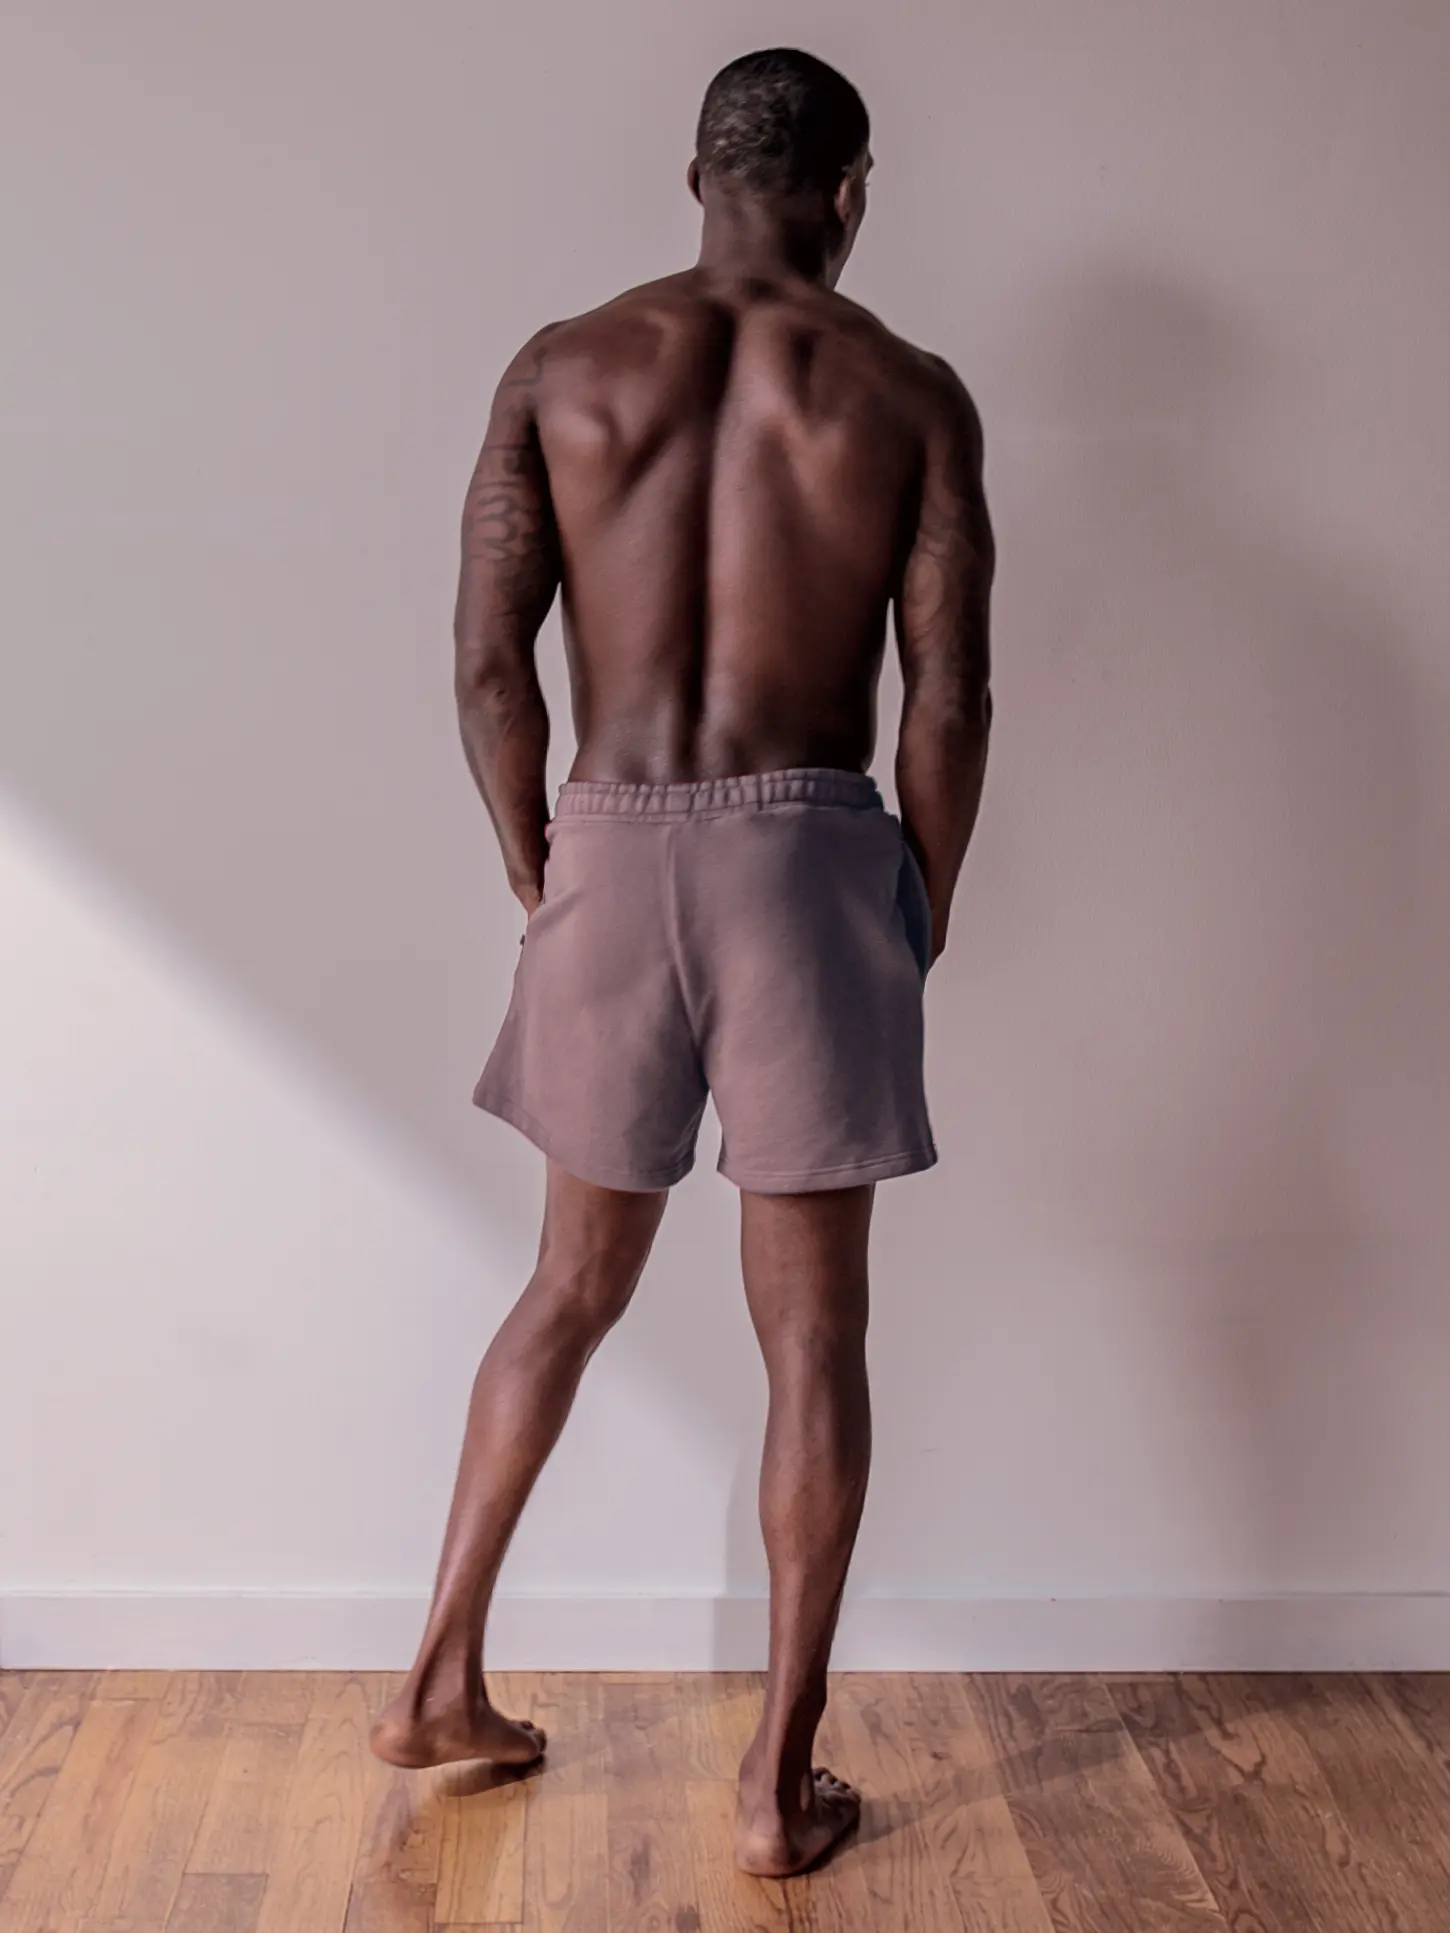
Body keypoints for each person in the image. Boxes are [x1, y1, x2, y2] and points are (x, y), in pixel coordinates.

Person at [370, 45, 995, 1878]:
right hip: (811, 855)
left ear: (696, 179)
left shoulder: (560, 366)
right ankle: (773, 1783)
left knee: (566, 1289)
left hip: (609, 843)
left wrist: (540, 864)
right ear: (850, 191)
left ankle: (434, 1675)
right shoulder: (906, 391)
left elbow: (491, 659)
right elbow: (947, 689)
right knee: (812, 1329)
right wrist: (918, 903)